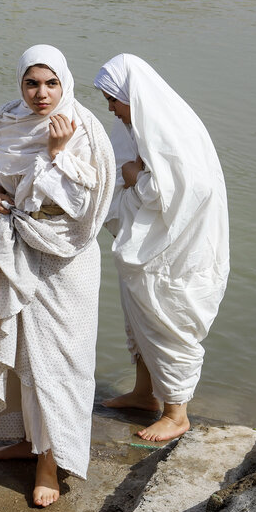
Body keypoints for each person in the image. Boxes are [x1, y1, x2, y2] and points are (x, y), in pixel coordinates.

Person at [0, 45, 114, 507]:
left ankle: (52, 460)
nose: (41, 93)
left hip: (64, 260)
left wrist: (54, 153)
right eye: (32, 83)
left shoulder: (83, 127)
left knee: (62, 360)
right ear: (19, 84)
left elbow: (86, 203)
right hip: (14, 248)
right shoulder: (4, 119)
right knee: (22, 351)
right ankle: (30, 441)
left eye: (51, 83)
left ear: (65, 82)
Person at [95, 54, 229, 442]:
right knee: (140, 318)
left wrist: (136, 177)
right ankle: (143, 395)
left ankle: (176, 413)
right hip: (148, 246)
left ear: (131, 97)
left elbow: (187, 190)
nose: (110, 108)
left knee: (169, 322)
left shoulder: (175, 133)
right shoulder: (143, 126)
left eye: (112, 99)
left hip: (178, 252)